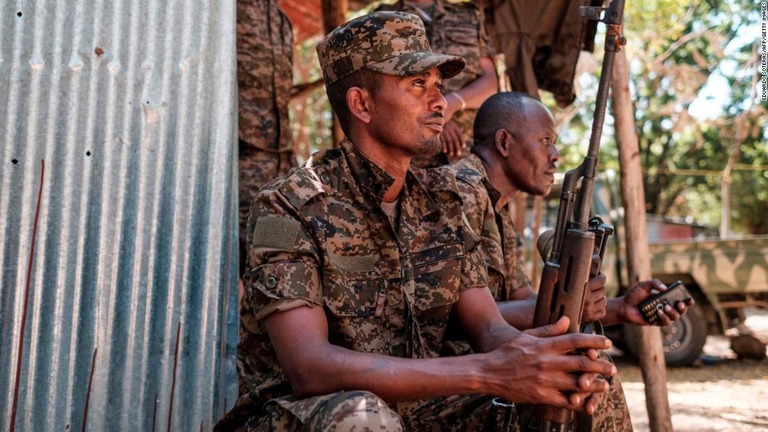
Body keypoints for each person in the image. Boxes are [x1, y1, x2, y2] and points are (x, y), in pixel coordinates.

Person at [215, 12, 618, 431]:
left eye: (438, 86)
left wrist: (534, 357)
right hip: (309, 416)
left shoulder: (442, 205)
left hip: (423, 409)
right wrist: (488, 372)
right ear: (361, 104)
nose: (440, 101)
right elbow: (311, 368)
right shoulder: (289, 206)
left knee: (585, 381)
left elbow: (489, 330)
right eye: (416, 85)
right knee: (362, 418)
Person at [450, 91, 695, 430]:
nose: (555, 155)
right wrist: (576, 309)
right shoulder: (461, 192)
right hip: (456, 368)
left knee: (591, 370)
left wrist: (620, 309)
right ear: (504, 142)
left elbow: (523, 301)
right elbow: (461, 316)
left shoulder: (497, 209)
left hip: (488, 359)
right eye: (545, 141)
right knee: (588, 374)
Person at [375, 0, 499, 167]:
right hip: (409, 156)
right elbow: (379, 85)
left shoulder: (469, 15)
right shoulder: (381, 19)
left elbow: (491, 83)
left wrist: (450, 105)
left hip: (468, 153)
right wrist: (435, 117)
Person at [236, 0, 298, 277]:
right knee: (236, 260)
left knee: (278, 258)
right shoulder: (226, 11)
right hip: (240, 161)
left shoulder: (280, 17)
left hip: (279, 164)